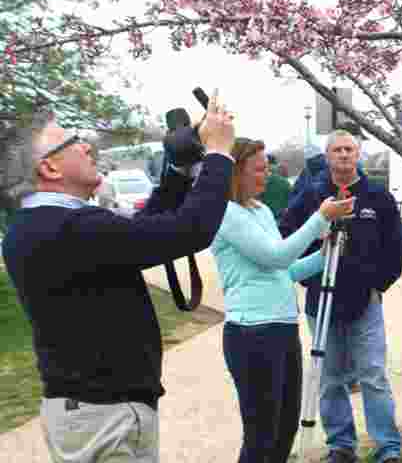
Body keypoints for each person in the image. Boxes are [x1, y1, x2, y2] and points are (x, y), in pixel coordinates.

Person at [2, 94, 237, 463]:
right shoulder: (70, 228)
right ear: (49, 168)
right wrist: (219, 154)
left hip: (91, 409)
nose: (87, 146)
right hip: (105, 414)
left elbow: (144, 232)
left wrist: (176, 170)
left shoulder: (41, 227)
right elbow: (190, 230)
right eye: (72, 141)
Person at [210, 137, 353, 463]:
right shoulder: (226, 213)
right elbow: (275, 256)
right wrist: (319, 218)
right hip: (252, 334)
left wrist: (326, 253)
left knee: (285, 427)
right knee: (261, 434)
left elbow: (285, 270)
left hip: (283, 328)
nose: (267, 175)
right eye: (259, 169)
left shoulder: (260, 210)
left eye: (267, 168)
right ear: (236, 172)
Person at [279, 129, 402, 463]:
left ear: (358, 154)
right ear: (328, 156)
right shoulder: (311, 195)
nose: (344, 155)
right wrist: (310, 281)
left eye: (350, 149)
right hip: (322, 304)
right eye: (337, 150)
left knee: (373, 376)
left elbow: (394, 247)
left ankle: (387, 448)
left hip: (365, 303)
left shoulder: (377, 197)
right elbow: (289, 237)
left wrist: (379, 284)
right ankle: (341, 446)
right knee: (330, 379)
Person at [259, 153, 292, 218]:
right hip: (282, 219)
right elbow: (292, 200)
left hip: (266, 219)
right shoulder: (285, 182)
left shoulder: (258, 182)